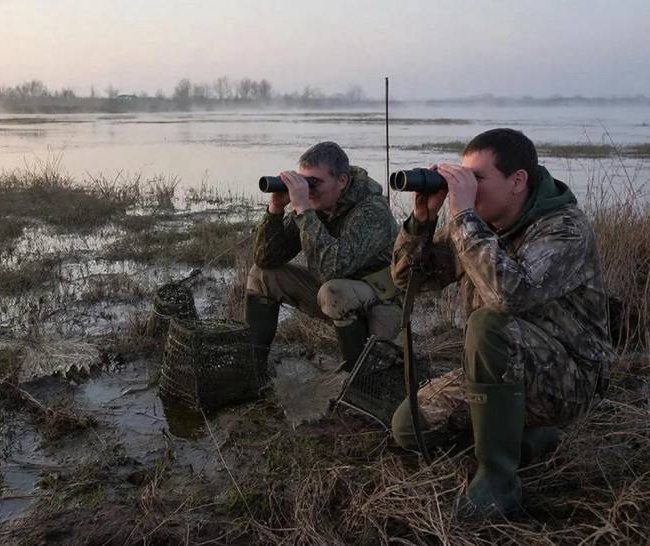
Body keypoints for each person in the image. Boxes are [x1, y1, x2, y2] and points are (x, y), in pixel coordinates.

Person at [390, 128, 614, 520]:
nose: (467, 188)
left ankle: (497, 480)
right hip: (500, 373)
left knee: (489, 324)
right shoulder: (479, 224)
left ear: (517, 181)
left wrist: (463, 215)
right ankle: (528, 440)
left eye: (477, 178)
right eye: (463, 177)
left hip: (568, 380)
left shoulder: (565, 228)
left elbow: (509, 296)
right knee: (409, 427)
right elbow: (409, 280)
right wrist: (422, 220)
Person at [245, 141, 401, 373]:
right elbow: (266, 259)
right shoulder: (318, 204)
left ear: (342, 181)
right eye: (304, 181)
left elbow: (332, 270)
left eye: (315, 182)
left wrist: (304, 210)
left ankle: (357, 379)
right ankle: (252, 370)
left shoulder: (372, 210)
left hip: (381, 301)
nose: (309, 190)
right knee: (262, 276)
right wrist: (275, 208)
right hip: (335, 295)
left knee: (334, 291)